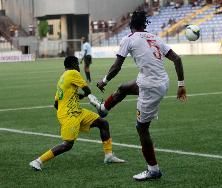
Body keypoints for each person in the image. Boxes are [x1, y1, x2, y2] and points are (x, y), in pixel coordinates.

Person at [88, 11, 187, 181]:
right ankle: (103, 109)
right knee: (124, 87)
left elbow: (117, 66)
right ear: (144, 25)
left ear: (130, 25)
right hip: (161, 81)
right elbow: (177, 59)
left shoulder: (129, 38)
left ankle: (153, 170)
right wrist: (181, 85)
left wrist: (104, 80)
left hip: (150, 86)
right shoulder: (155, 37)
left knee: (141, 128)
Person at [29, 56, 125, 171]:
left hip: (76, 112)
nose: (79, 67)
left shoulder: (62, 78)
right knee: (68, 144)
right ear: (74, 64)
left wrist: (78, 97)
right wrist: (92, 100)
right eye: (77, 64)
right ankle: (38, 161)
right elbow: (87, 89)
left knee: (103, 123)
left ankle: (108, 156)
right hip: (70, 114)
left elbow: (56, 102)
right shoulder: (73, 73)